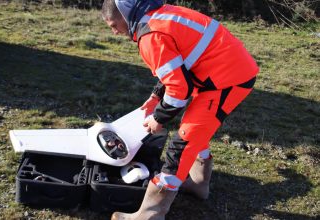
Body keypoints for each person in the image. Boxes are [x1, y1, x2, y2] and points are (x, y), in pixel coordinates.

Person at [101, 0, 259, 219]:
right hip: (219, 72)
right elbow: (176, 67)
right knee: (194, 131)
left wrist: (159, 117)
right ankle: (198, 184)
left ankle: (151, 214)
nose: (115, 32)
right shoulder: (159, 17)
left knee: (183, 143)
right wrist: (156, 97)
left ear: (126, 16)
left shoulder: (150, 36)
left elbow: (179, 89)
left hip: (227, 80)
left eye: (113, 25)